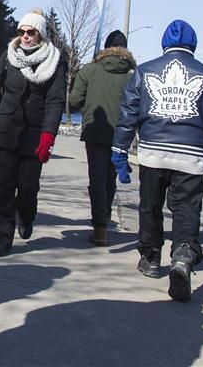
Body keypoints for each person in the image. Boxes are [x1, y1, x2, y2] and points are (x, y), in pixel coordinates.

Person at [111, 20, 203, 302]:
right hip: (191, 157)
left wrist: (119, 150)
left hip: (153, 152)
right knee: (186, 209)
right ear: (194, 44)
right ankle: (182, 256)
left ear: (164, 43)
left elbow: (128, 113)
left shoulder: (144, 71)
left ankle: (151, 258)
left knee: (150, 207)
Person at [0, 9, 66, 257]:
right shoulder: (9, 56)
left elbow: (56, 100)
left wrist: (49, 135)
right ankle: (0, 238)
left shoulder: (54, 60)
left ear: (41, 35)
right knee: (3, 185)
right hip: (6, 128)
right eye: (22, 32)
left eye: (31, 32)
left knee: (27, 187)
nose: (25, 36)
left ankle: (26, 215)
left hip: (34, 133)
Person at [69, 30, 136, 246]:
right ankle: (104, 215)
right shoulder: (133, 75)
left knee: (96, 178)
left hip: (95, 130)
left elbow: (74, 99)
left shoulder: (90, 70)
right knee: (110, 177)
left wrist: (89, 107)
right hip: (122, 134)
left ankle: (100, 227)